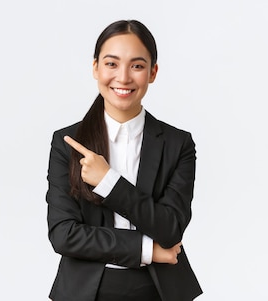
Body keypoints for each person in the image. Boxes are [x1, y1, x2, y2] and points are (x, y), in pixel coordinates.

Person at [45, 20, 203, 301]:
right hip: (85, 290)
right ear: (95, 68)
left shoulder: (178, 144)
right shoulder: (67, 143)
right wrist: (146, 250)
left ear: (152, 72)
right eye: (111, 64)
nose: (124, 77)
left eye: (137, 66)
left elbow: (170, 228)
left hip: (159, 290)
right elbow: (64, 234)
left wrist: (109, 182)